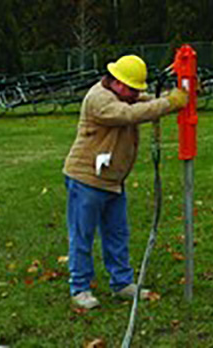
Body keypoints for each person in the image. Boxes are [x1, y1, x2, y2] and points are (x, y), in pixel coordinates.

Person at [63, 55, 188, 309]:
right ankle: (80, 287)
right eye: (131, 88)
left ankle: (122, 283)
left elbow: (145, 101)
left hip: (112, 180)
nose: (135, 94)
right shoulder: (99, 99)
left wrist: (174, 95)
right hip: (86, 178)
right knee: (82, 236)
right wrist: (169, 104)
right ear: (117, 82)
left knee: (117, 234)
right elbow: (129, 114)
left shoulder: (123, 95)